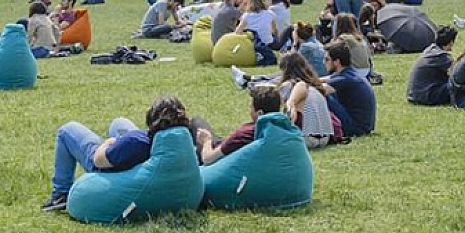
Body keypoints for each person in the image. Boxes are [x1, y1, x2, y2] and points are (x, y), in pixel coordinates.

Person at [43, 95, 196, 212]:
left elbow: (98, 160)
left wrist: (108, 144)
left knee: (67, 130)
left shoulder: (136, 142)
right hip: (137, 158)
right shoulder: (182, 142)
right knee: (119, 122)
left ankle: (61, 193)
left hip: (110, 171)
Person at [199, 86, 284, 165]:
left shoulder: (245, 134)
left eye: (251, 107)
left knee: (197, 122)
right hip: (228, 147)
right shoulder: (282, 129)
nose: (249, 110)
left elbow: (208, 159)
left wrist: (206, 140)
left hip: (221, 158)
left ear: (260, 113)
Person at [323, 41, 376, 137]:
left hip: (356, 127)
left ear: (337, 62)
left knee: (321, 94)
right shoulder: (349, 73)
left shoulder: (346, 78)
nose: (324, 62)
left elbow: (320, 88)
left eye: (327, 59)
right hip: (364, 126)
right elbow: (322, 80)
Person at [407, 25, 459, 105]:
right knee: (459, 86)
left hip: (414, 95)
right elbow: (458, 74)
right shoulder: (442, 56)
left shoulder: (430, 50)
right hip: (427, 96)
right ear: (451, 42)